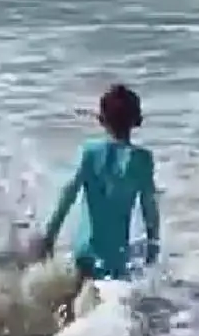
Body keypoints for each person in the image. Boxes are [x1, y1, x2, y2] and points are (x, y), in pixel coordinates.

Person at [34, 85, 160, 281]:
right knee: (111, 304)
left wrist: (50, 236)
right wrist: (153, 246)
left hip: (83, 251)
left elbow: (68, 194)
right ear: (137, 121)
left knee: (73, 304)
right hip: (115, 257)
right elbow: (149, 208)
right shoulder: (142, 159)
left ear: (101, 120)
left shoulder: (90, 152)